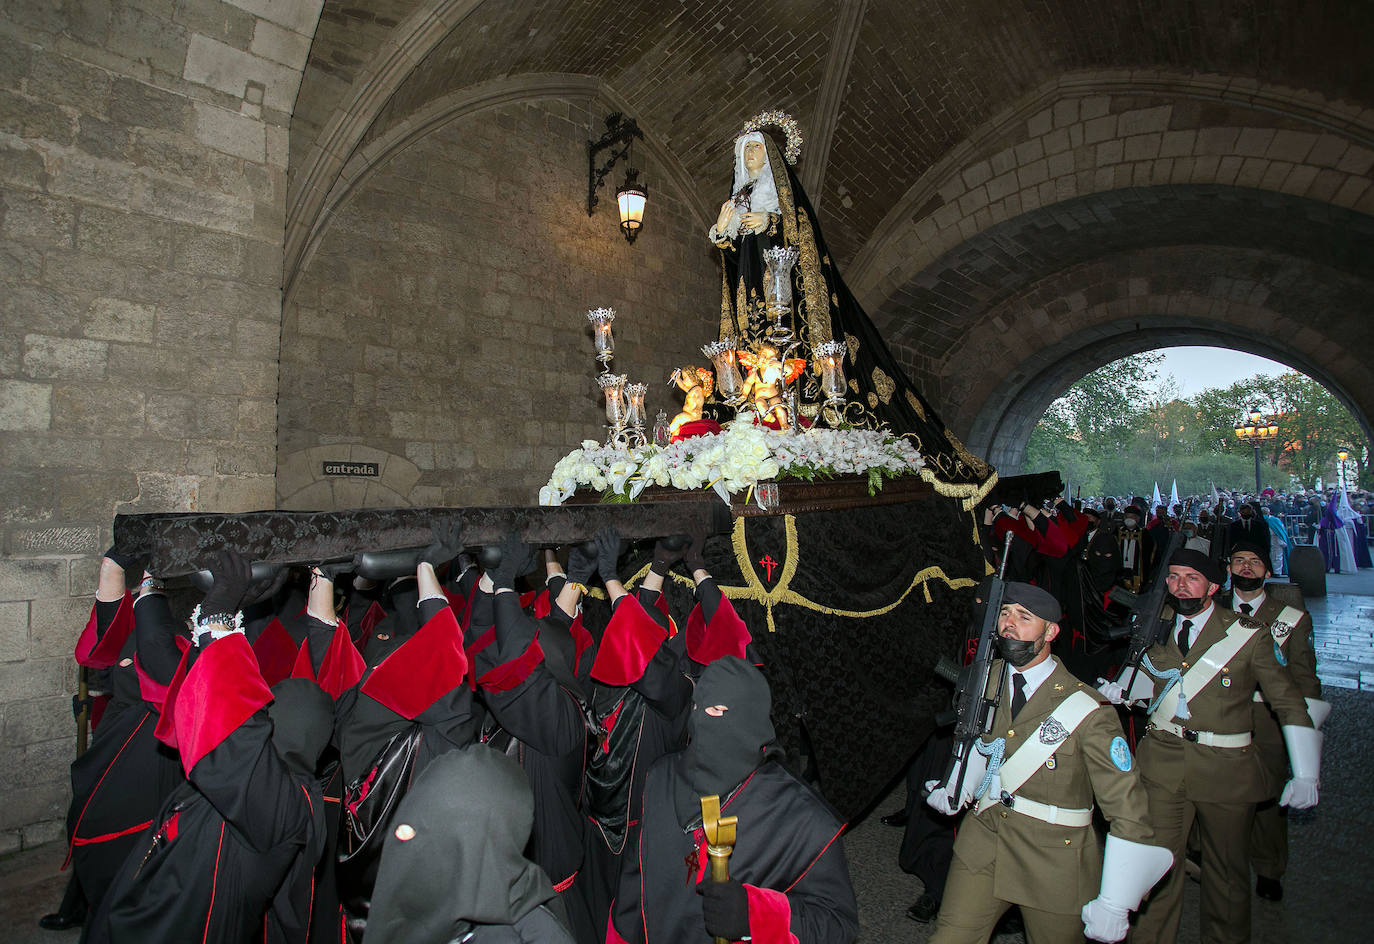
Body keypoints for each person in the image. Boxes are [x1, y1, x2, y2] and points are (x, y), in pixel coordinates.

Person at [87, 552, 333, 944]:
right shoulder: (275, 779)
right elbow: (212, 703)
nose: (260, 711)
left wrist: (216, 617)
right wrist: (230, 614)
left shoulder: (284, 805)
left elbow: (232, 728)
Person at [925, 582, 1170, 944]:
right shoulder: (983, 677)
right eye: (1005, 613)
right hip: (986, 840)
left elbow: (1127, 808)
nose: (1010, 624)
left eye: (1025, 617)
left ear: (1051, 632)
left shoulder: (1086, 709)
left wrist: (1117, 902)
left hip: (1055, 856)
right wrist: (956, 789)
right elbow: (979, 740)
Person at [1100, 549, 1321, 944]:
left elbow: (1288, 700)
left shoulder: (1247, 633)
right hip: (1163, 765)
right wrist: (1125, 691)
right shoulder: (1155, 627)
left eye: (1192, 577)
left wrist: (1306, 771)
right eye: (1173, 576)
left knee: (1227, 873)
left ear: (1214, 586)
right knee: (1155, 864)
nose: (1180, 584)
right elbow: (1158, 686)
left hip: (1226, 768)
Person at [606, 656, 859, 944]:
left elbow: (838, 924)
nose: (700, 719)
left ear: (749, 719)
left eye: (716, 709)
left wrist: (755, 916)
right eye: (698, 707)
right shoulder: (661, 777)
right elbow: (633, 881)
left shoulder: (802, 819)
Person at [364, 745, 577, 944]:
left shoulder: (524, 935)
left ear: (473, 848)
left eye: (420, 830)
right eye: (406, 820)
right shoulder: (439, 906)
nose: (399, 833)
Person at [1217, 540, 1328, 902]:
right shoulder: (1210, 611)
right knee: (1215, 794)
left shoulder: (1291, 618)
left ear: (1267, 570)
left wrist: (1303, 745)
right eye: (1238, 561)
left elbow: (1306, 680)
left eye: (1254, 562)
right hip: (1216, 718)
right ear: (1229, 568)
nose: (1246, 567)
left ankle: (1268, 866)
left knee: (1267, 800)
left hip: (1266, 720)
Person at [1260, 505, 1291, 577]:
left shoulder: (1274, 520)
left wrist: (1281, 541)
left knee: (1277, 557)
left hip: (1276, 541)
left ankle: (1277, 572)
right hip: (1267, 541)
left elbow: (1279, 531)